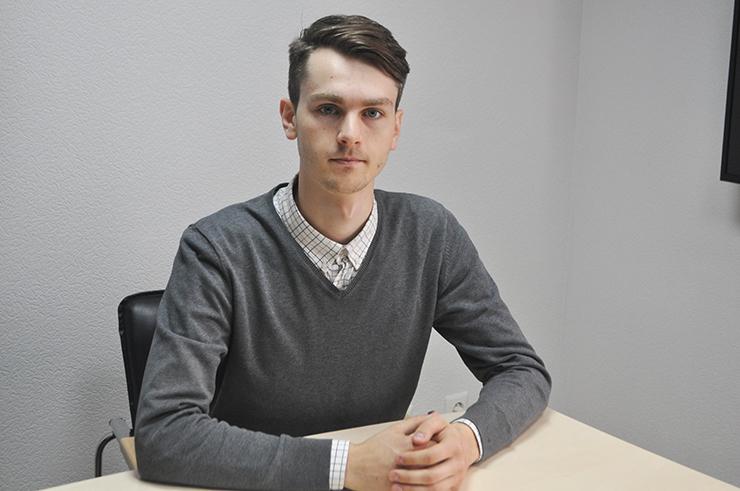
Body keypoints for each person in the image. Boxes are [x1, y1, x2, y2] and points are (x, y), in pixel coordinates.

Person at [135, 14, 551, 491]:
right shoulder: (216, 248)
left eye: (373, 113)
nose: (351, 133)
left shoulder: (430, 234)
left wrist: (466, 439)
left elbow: (521, 370)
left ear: (395, 129)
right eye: (329, 109)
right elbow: (164, 434)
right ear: (290, 118)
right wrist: (347, 466)